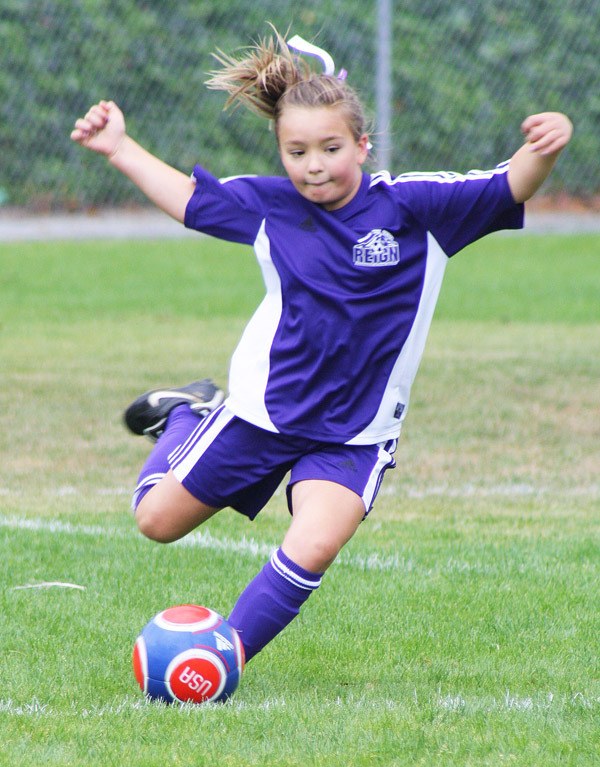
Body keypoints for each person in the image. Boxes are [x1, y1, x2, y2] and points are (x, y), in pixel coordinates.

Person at [71, 29, 573, 664]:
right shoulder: (271, 207)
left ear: (363, 145)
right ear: (281, 152)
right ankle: (188, 413)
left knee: (312, 546)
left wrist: (545, 148)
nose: (314, 164)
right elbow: (191, 202)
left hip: (355, 433)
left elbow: (507, 186)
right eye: (297, 151)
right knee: (155, 522)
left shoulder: (416, 209)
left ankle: (222, 658)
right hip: (263, 413)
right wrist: (118, 148)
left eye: (331, 148)